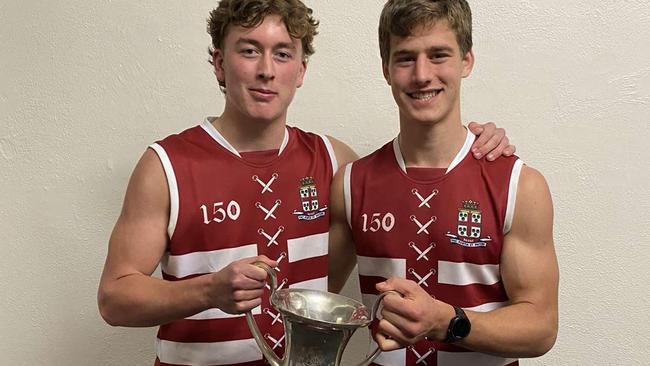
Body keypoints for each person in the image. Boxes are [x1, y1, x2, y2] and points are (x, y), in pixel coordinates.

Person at [97, 0, 513, 365]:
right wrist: (207, 291)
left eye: (282, 54)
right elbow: (114, 299)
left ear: (301, 70)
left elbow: (424, 171)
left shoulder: (337, 165)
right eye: (249, 50)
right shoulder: (166, 164)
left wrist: (481, 146)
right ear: (220, 63)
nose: (265, 70)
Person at [328, 1, 559, 365]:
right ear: (386, 68)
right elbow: (311, 298)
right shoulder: (351, 183)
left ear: (466, 60)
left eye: (438, 55)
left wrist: (447, 322)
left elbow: (541, 327)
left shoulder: (519, 185)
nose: (422, 74)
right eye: (405, 58)